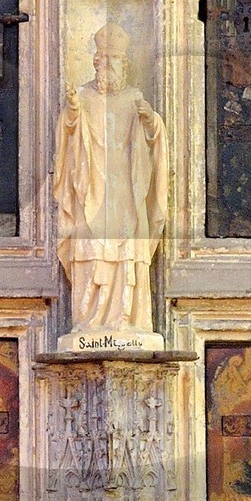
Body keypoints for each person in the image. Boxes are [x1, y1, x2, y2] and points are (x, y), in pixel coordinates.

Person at [54, 21, 167, 337]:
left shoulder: (134, 98)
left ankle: (127, 318)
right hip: (91, 187)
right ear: (95, 61)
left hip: (127, 191)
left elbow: (154, 136)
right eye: (102, 59)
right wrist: (73, 113)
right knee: (92, 246)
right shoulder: (84, 96)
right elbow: (69, 131)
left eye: (113, 60)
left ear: (124, 64)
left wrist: (151, 122)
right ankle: (90, 320)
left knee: (127, 249)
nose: (106, 66)